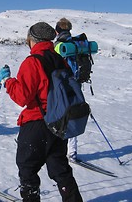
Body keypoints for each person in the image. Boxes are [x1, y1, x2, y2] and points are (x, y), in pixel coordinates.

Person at [0, 22, 83, 202]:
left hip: (36, 123)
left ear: (32, 40)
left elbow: (22, 97)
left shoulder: (33, 62)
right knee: (60, 169)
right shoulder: (60, 59)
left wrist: (7, 81)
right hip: (59, 123)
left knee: (27, 169)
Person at [55, 18, 78, 162]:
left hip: (61, 85)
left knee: (58, 115)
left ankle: (55, 148)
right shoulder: (76, 43)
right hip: (76, 84)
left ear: (57, 30)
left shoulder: (59, 45)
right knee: (74, 116)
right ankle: (72, 152)